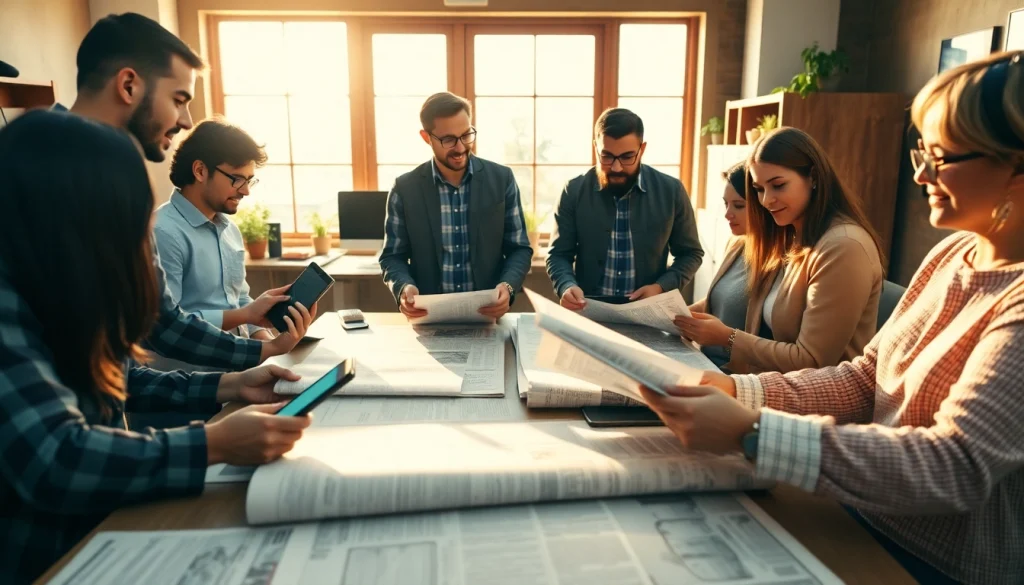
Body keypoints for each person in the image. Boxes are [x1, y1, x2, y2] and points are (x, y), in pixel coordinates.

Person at [641, 51, 1024, 584]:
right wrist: (740, 392)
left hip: (938, 562)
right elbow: (864, 378)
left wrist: (753, 431)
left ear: (1016, 167)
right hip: (860, 513)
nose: (921, 172)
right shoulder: (952, 253)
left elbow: (954, 467)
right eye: (922, 151)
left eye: (942, 155)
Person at [0, 110, 315, 585]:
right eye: (119, 217)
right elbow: (55, 458)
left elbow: (120, 378)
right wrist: (213, 442)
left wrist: (232, 384)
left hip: (102, 525)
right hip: (46, 557)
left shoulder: (53, 284)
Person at [65, 12, 308, 368]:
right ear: (128, 86)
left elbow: (161, 328)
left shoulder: (114, 183)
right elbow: (157, 332)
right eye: (179, 100)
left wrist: (263, 353)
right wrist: (259, 351)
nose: (186, 121)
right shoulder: (42, 168)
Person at [676, 127, 883, 374]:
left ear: (814, 177)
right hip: (776, 383)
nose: (766, 201)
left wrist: (727, 337)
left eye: (778, 185)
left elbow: (812, 361)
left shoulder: (844, 247)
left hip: (819, 393)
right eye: (759, 189)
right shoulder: (791, 238)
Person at [378, 91, 533, 321]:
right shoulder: (404, 188)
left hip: (489, 319)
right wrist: (403, 287)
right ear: (426, 137)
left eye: (466, 135)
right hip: (429, 320)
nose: (460, 147)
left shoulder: (502, 179)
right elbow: (392, 257)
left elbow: (519, 249)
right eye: (449, 139)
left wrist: (508, 286)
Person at [546, 108, 704, 309]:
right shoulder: (574, 191)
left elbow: (691, 254)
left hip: (647, 312)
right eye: (607, 156)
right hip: (588, 310)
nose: (616, 167)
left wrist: (661, 287)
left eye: (627, 157)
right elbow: (558, 254)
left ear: (642, 149)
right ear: (596, 148)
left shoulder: (671, 191)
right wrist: (566, 285)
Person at [155, 118, 288, 346]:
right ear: (200, 171)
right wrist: (247, 316)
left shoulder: (229, 230)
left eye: (249, 180)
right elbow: (168, 325)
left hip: (239, 359)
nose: (245, 191)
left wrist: (269, 348)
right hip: (196, 366)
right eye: (237, 179)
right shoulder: (163, 232)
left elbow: (240, 300)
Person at [684, 161, 749, 369]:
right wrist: (676, 316)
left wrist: (726, 337)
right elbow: (720, 298)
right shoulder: (736, 244)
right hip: (704, 360)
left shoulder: (781, 261)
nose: (728, 214)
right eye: (726, 204)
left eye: (738, 206)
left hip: (733, 373)